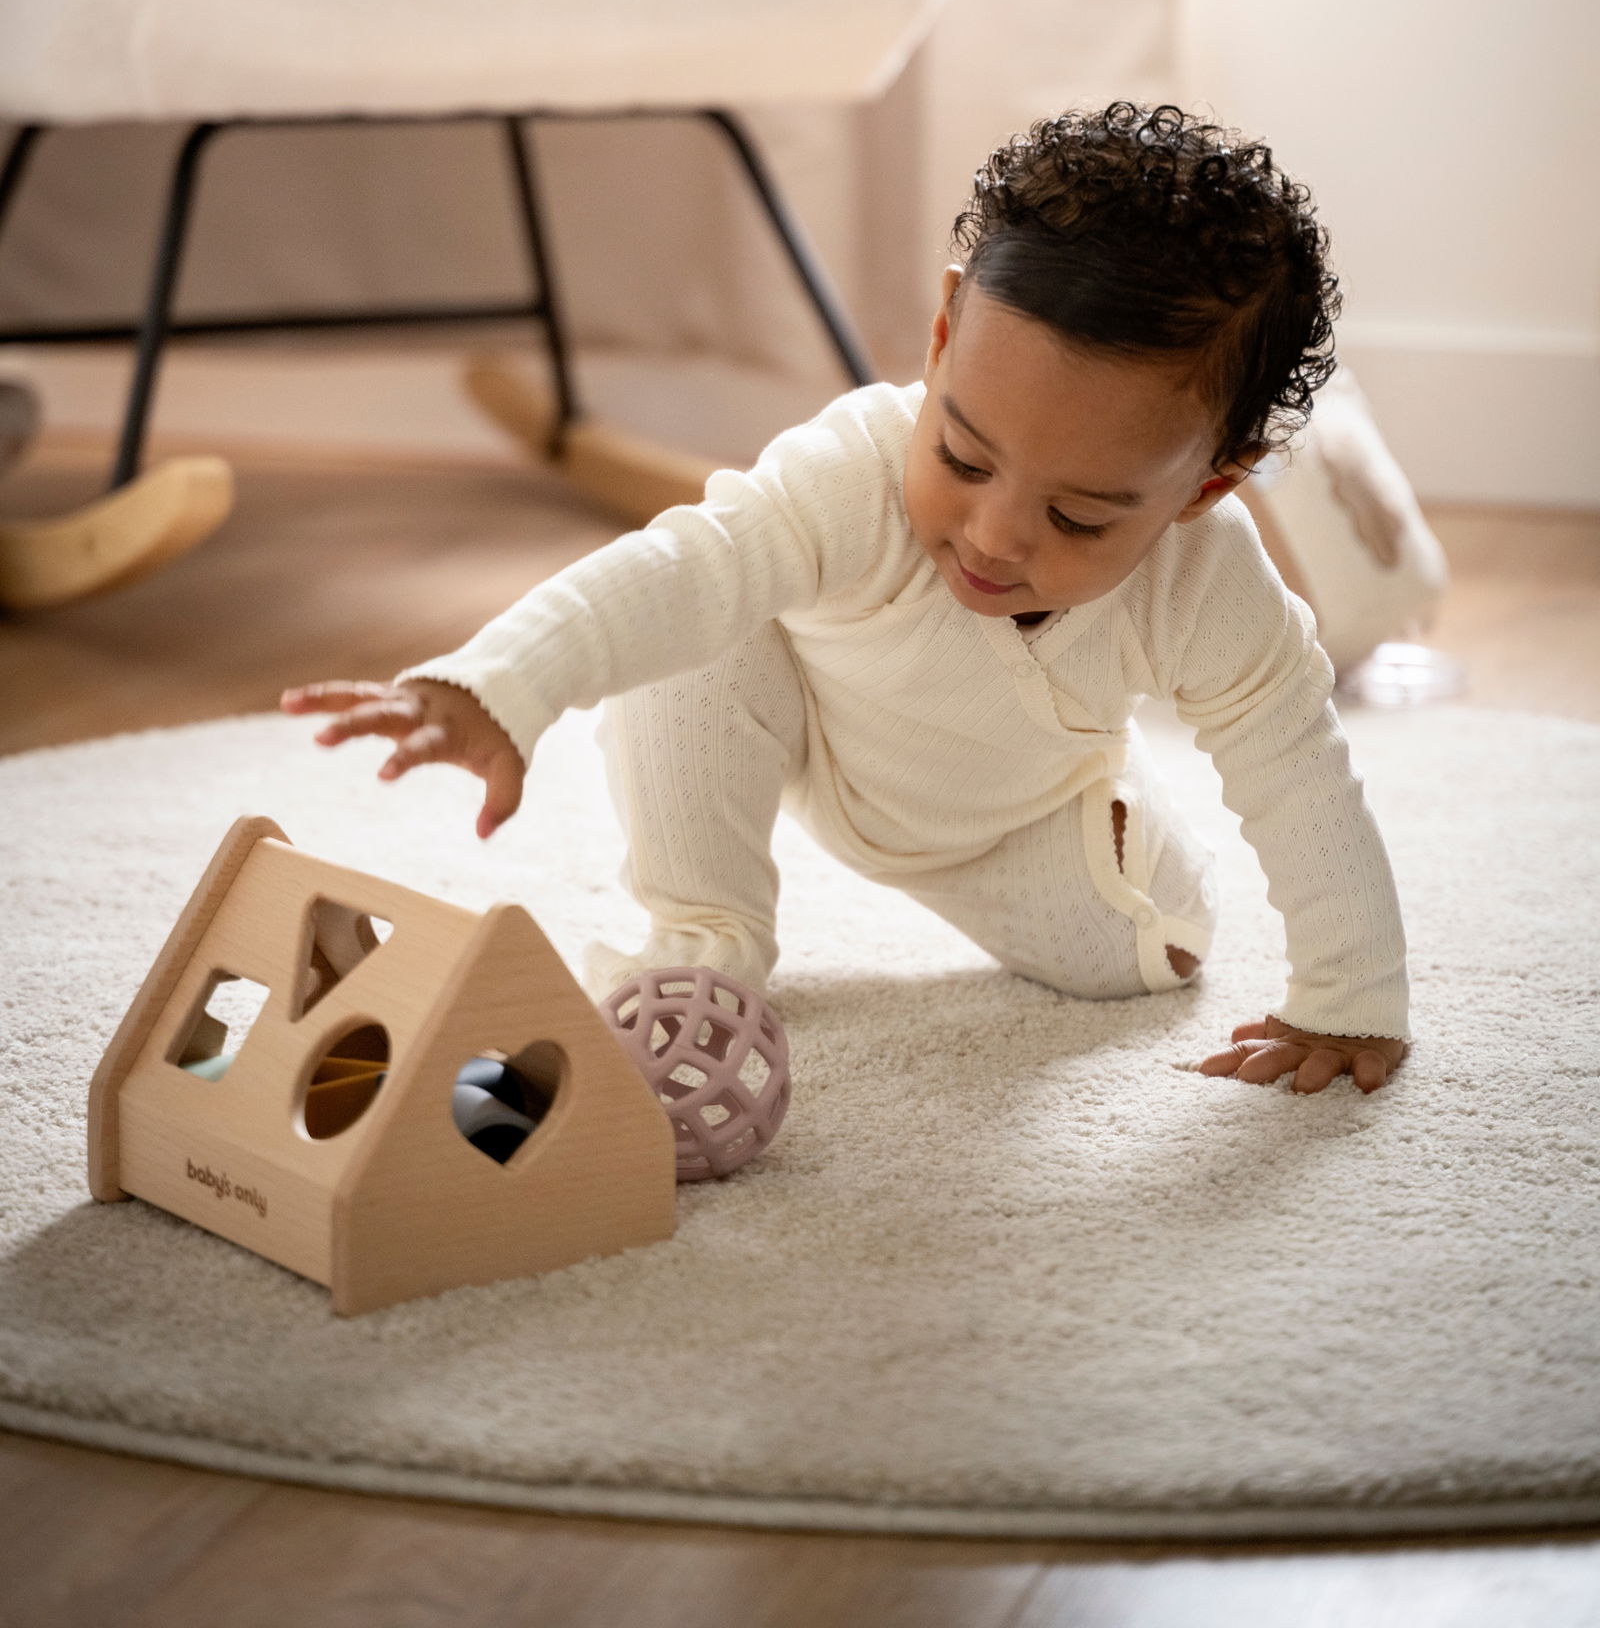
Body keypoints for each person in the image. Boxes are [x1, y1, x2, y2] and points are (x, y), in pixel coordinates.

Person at [284, 105, 1408, 1096]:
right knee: (705, 618)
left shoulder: (1209, 582)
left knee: (1154, 957)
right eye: (964, 458)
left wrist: (1349, 996)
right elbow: (683, 564)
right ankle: (701, 938)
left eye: (1078, 518)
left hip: (1021, 822)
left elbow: (1298, 771)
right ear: (943, 333)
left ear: (1207, 484)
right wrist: (499, 683)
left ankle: (1121, 811)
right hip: (814, 724)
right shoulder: (852, 471)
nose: (994, 536)